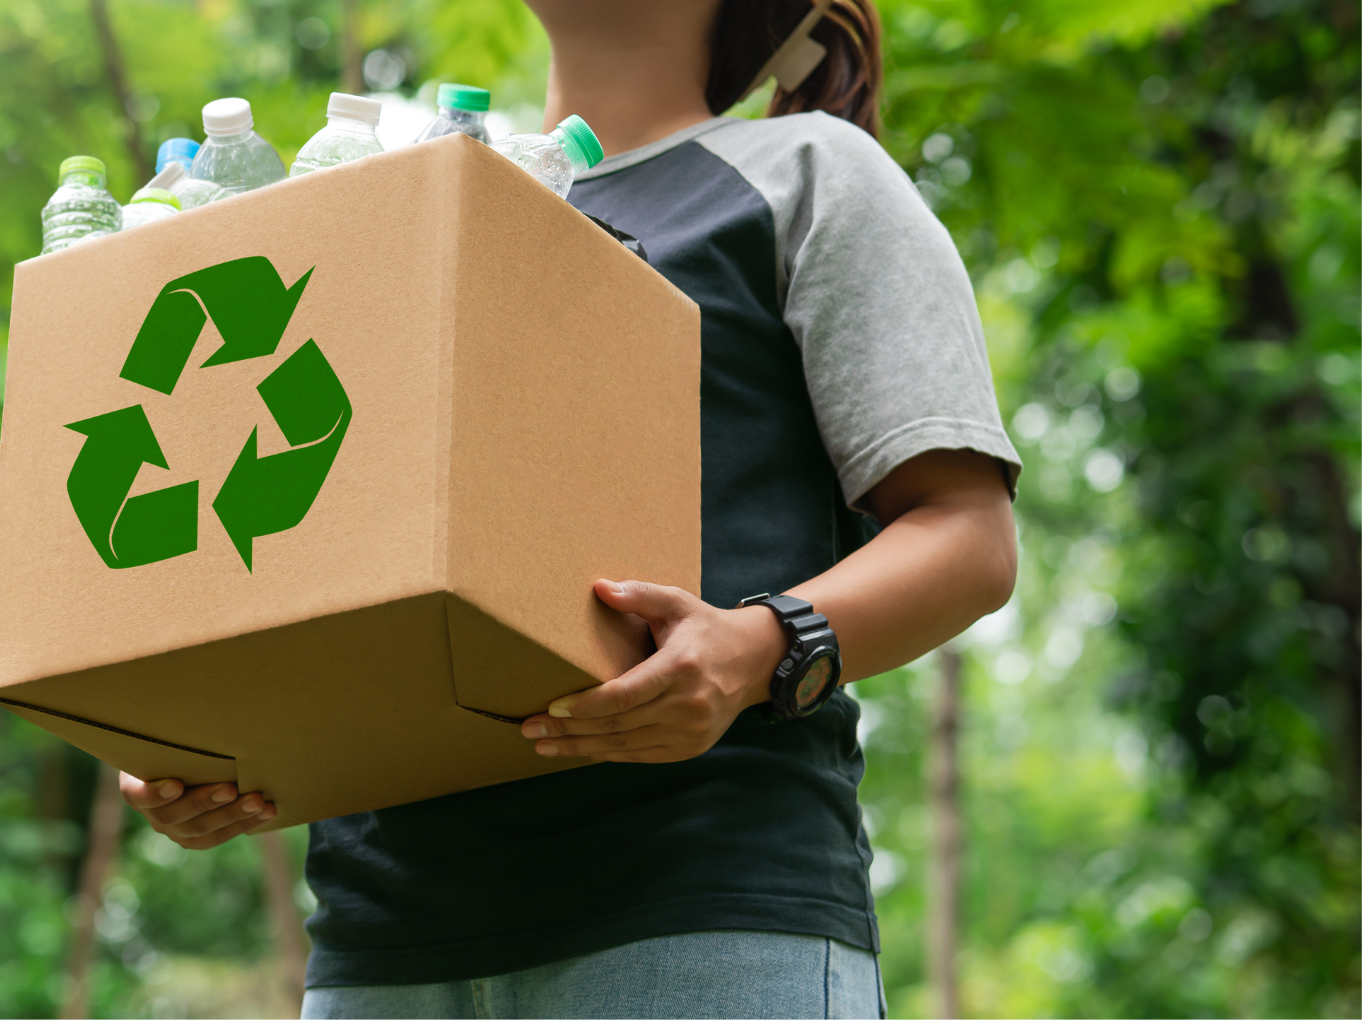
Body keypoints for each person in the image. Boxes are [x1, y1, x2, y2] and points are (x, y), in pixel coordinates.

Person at [120, 0, 1022, 1015]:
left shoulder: (803, 171)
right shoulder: (409, 203)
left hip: (698, 910)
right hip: (382, 942)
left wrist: (751, 650)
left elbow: (968, 533)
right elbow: (319, 528)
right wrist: (208, 733)